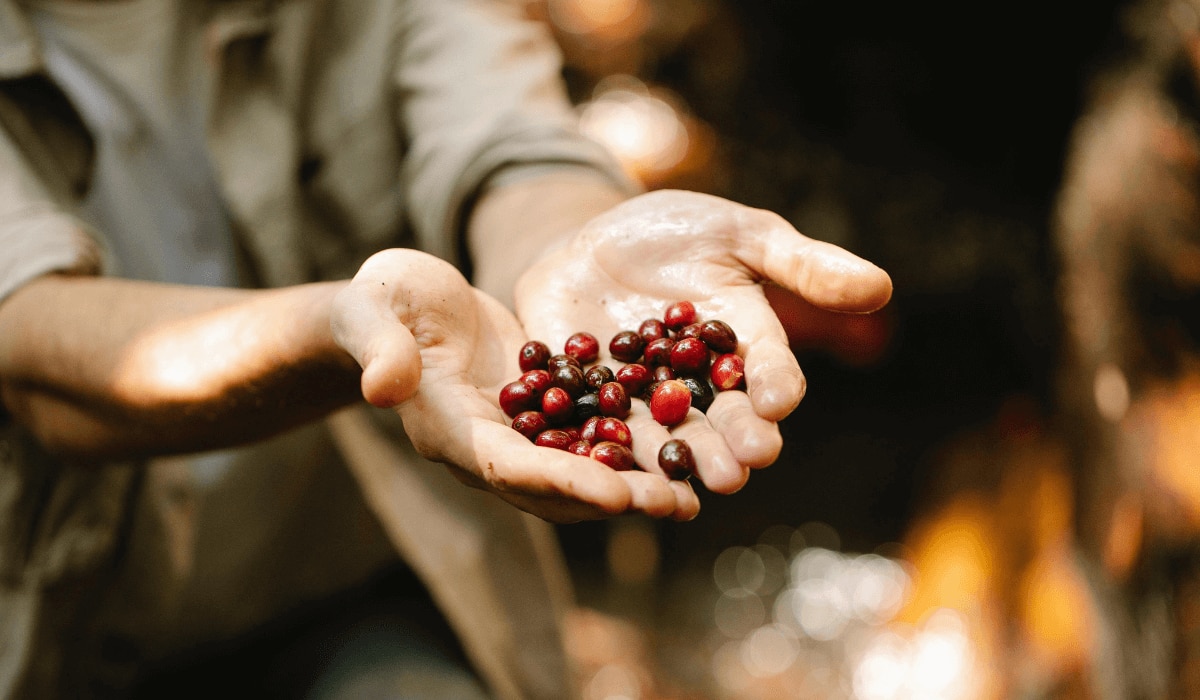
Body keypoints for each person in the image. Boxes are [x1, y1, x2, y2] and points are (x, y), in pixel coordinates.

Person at [0, 0, 892, 698]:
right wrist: (343, 326)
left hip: (355, 595)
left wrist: (574, 243)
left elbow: (512, 150)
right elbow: (43, 355)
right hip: (54, 643)